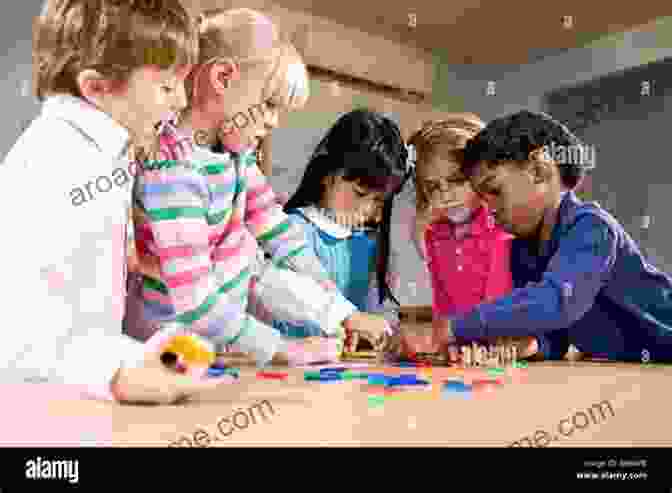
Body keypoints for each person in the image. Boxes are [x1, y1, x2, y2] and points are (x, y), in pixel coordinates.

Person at [125, 9, 389, 368]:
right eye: (267, 104)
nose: (273, 121)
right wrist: (284, 348)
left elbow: (283, 238)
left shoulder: (237, 158)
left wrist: (343, 313)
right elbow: (197, 302)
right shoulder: (174, 170)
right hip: (166, 358)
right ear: (222, 78)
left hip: (210, 352)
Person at [1, 0, 232, 405]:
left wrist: (133, 357)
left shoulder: (103, 154)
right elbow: (19, 337)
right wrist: (118, 374)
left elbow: (80, 320)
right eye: (165, 86)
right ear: (96, 87)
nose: (180, 100)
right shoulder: (58, 160)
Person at [433, 110, 672, 363]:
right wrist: (533, 345)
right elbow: (556, 334)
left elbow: (556, 301)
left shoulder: (592, 227)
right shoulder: (523, 252)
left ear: (539, 169)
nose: (489, 208)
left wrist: (452, 328)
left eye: (495, 190)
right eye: (482, 198)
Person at [406, 114, 541, 360]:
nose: (444, 195)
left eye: (456, 181)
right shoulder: (436, 234)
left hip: (511, 346)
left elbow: (499, 303)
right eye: (433, 186)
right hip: (469, 352)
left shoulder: (501, 229)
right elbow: (443, 306)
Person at [277, 109, 410, 354]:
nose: (368, 209)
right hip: (287, 367)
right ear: (328, 175)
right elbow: (283, 300)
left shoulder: (370, 246)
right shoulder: (290, 232)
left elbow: (380, 315)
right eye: (360, 193)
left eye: (379, 200)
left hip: (346, 376)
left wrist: (381, 331)